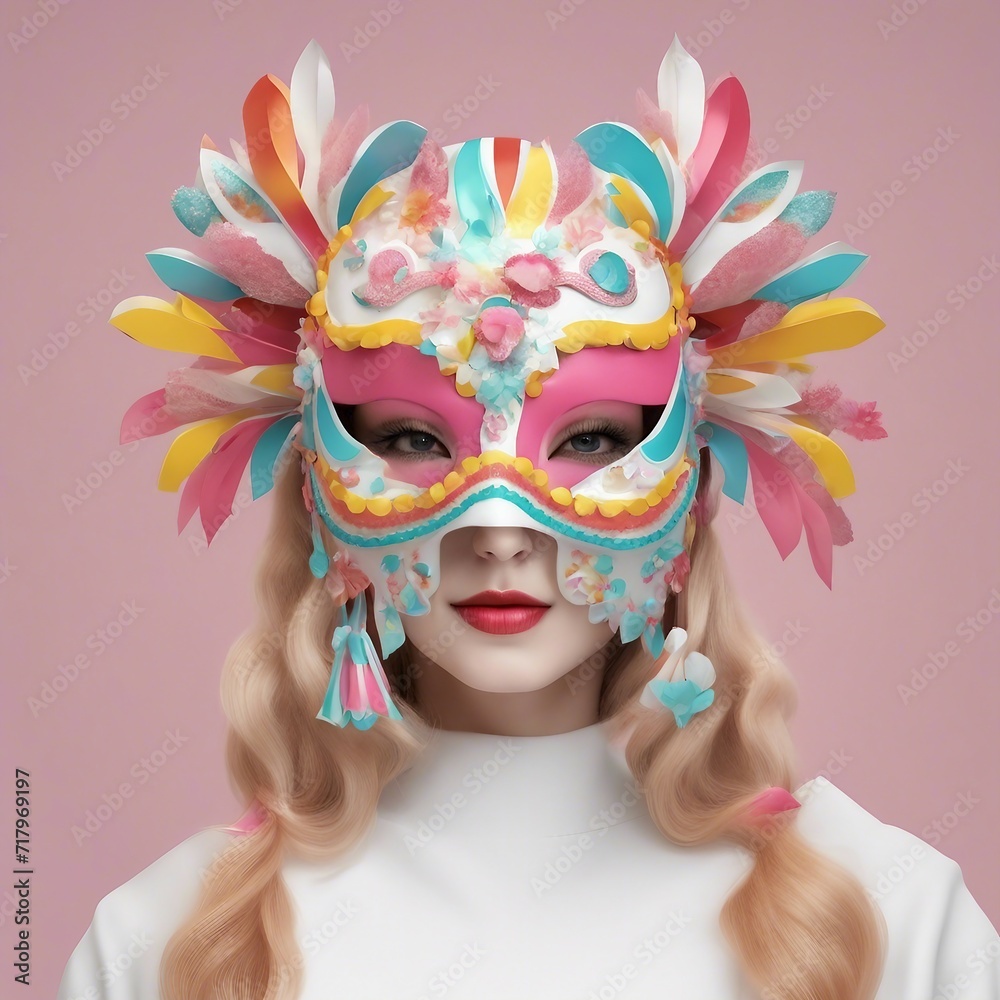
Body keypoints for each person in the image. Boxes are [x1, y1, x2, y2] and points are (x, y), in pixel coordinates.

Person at [57, 36, 998, 1000]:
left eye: (591, 439)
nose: (500, 530)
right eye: (416, 440)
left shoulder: (896, 927)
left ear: (695, 493)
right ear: (316, 492)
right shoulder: (168, 946)